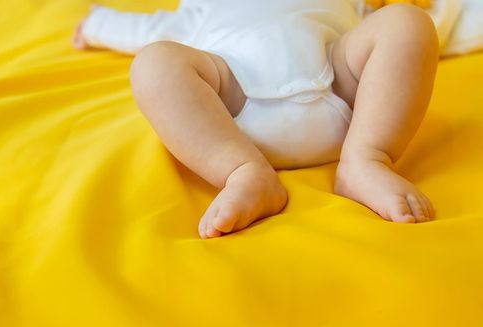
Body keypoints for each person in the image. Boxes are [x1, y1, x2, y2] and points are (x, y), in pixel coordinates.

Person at [73, 0, 439, 239]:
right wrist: (98, 24)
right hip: (232, 106)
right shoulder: (202, 6)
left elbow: (413, 30)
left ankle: (366, 160)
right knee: (154, 64)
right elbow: (150, 30)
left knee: (409, 23)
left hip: (346, 97)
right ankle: (243, 172)